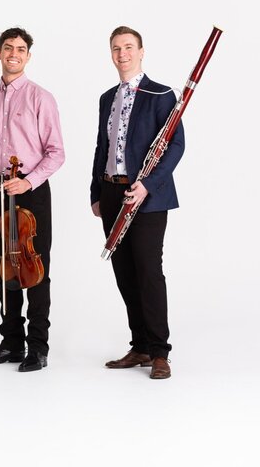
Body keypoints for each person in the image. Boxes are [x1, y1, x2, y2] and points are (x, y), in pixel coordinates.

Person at [0, 27, 65, 372]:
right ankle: (11, 343)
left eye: (20, 49)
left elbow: (56, 152)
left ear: (28, 56)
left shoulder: (41, 98)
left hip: (31, 192)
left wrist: (28, 181)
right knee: (5, 267)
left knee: (35, 270)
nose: (13, 54)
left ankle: (38, 347)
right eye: (8, 48)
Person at [91, 26, 184, 380]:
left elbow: (175, 146)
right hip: (112, 191)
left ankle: (160, 352)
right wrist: (96, 192)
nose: (123, 54)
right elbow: (101, 147)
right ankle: (141, 345)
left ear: (141, 51)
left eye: (129, 47)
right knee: (125, 273)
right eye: (116, 48)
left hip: (148, 195)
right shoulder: (107, 98)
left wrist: (146, 185)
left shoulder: (161, 94)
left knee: (148, 271)